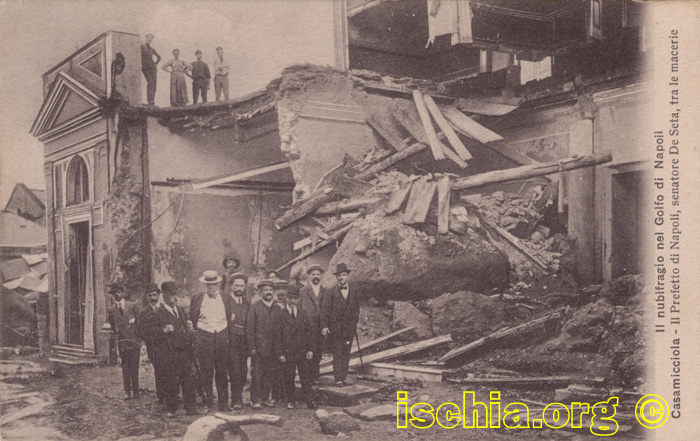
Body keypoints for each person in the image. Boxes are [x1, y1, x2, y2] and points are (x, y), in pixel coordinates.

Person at [153, 281, 200, 417]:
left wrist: (189, 330)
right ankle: (171, 409)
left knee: (188, 379)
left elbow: (185, 327)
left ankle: (190, 408)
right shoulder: (158, 313)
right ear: (164, 296)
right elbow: (148, 332)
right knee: (171, 381)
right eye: (172, 295)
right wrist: (163, 330)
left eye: (176, 294)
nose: (175, 297)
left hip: (184, 351)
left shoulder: (180, 310)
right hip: (169, 353)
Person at [189, 270, 231, 412]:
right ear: (204, 285)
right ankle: (207, 403)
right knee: (206, 371)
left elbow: (230, 317)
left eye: (213, 284)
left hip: (221, 336)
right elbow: (192, 319)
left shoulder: (226, 298)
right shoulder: (197, 298)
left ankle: (223, 404)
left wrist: (225, 336)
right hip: (204, 337)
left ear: (218, 284)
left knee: (221, 371)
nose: (210, 287)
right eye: (207, 285)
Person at [273, 286, 316, 409]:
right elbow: (277, 336)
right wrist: (280, 353)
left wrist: (310, 349)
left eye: (295, 298)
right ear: (286, 298)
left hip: (302, 351)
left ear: (298, 299)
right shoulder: (280, 314)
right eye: (290, 298)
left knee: (305, 377)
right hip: (287, 352)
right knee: (289, 376)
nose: (292, 301)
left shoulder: (303, 313)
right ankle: (290, 400)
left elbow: (309, 333)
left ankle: (309, 400)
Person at [321, 263, 360, 387]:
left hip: (349, 329)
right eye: (339, 275)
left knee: (346, 353)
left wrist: (354, 324)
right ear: (336, 277)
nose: (341, 278)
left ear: (347, 275)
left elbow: (356, 309)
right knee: (338, 353)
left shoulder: (354, 290)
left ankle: (344, 377)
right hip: (336, 329)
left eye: (343, 275)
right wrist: (325, 326)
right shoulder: (331, 291)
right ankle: (338, 379)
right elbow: (325, 310)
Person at [246, 279, 277, 408]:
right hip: (258, 348)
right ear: (260, 292)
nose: (268, 292)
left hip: (273, 347)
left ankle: (265, 398)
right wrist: (252, 347)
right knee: (257, 374)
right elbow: (249, 328)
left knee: (269, 374)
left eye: (270, 290)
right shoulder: (255, 307)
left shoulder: (277, 307)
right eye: (265, 290)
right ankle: (256, 400)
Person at [107, 283, 142, 400]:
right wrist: (119, 334)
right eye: (113, 293)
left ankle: (136, 391)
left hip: (134, 341)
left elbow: (139, 323)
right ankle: (127, 391)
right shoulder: (111, 310)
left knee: (134, 367)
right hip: (122, 342)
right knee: (125, 367)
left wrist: (137, 337)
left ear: (123, 293)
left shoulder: (132, 306)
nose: (116, 295)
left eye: (118, 292)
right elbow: (113, 326)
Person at [136, 283, 165, 404]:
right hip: (154, 346)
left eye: (154, 295)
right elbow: (140, 330)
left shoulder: (165, 308)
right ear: (146, 297)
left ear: (158, 295)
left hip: (167, 345)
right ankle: (160, 395)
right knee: (158, 370)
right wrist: (150, 339)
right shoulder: (143, 313)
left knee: (170, 370)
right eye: (149, 296)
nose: (152, 298)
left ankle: (171, 394)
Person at [225, 273, 250, 410]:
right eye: (237, 286)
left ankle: (238, 396)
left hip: (244, 341)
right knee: (234, 370)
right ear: (231, 286)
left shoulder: (247, 303)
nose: (239, 288)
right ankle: (236, 400)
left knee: (243, 370)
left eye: (242, 286)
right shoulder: (226, 302)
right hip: (231, 340)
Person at [300, 264, 327, 382]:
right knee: (308, 350)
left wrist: (325, 325)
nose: (316, 276)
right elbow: (299, 308)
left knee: (318, 351)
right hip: (307, 325)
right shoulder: (302, 291)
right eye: (313, 274)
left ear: (321, 276)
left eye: (318, 274)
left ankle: (315, 375)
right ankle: (307, 377)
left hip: (320, 326)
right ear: (309, 276)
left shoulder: (325, 291)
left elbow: (327, 309)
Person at [271, 280, 289, 403]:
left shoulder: (291, 306)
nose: (281, 292)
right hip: (273, 341)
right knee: (275, 369)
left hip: (287, 342)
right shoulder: (272, 306)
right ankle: (275, 395)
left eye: (283, 289)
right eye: (278, 289)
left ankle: (286, 395)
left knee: (287, 369)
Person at [141, 34, 161, 105]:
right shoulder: (142, 46)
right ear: (146, 37)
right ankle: (150, 101)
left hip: (153, 68)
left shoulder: (152, 49)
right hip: (145, 68)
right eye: (149, 37)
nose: (150, 39)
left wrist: (155, 64)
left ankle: (152, 102)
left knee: (154, 84)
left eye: (151, 38)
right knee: (150, 83)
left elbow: (159, 57)